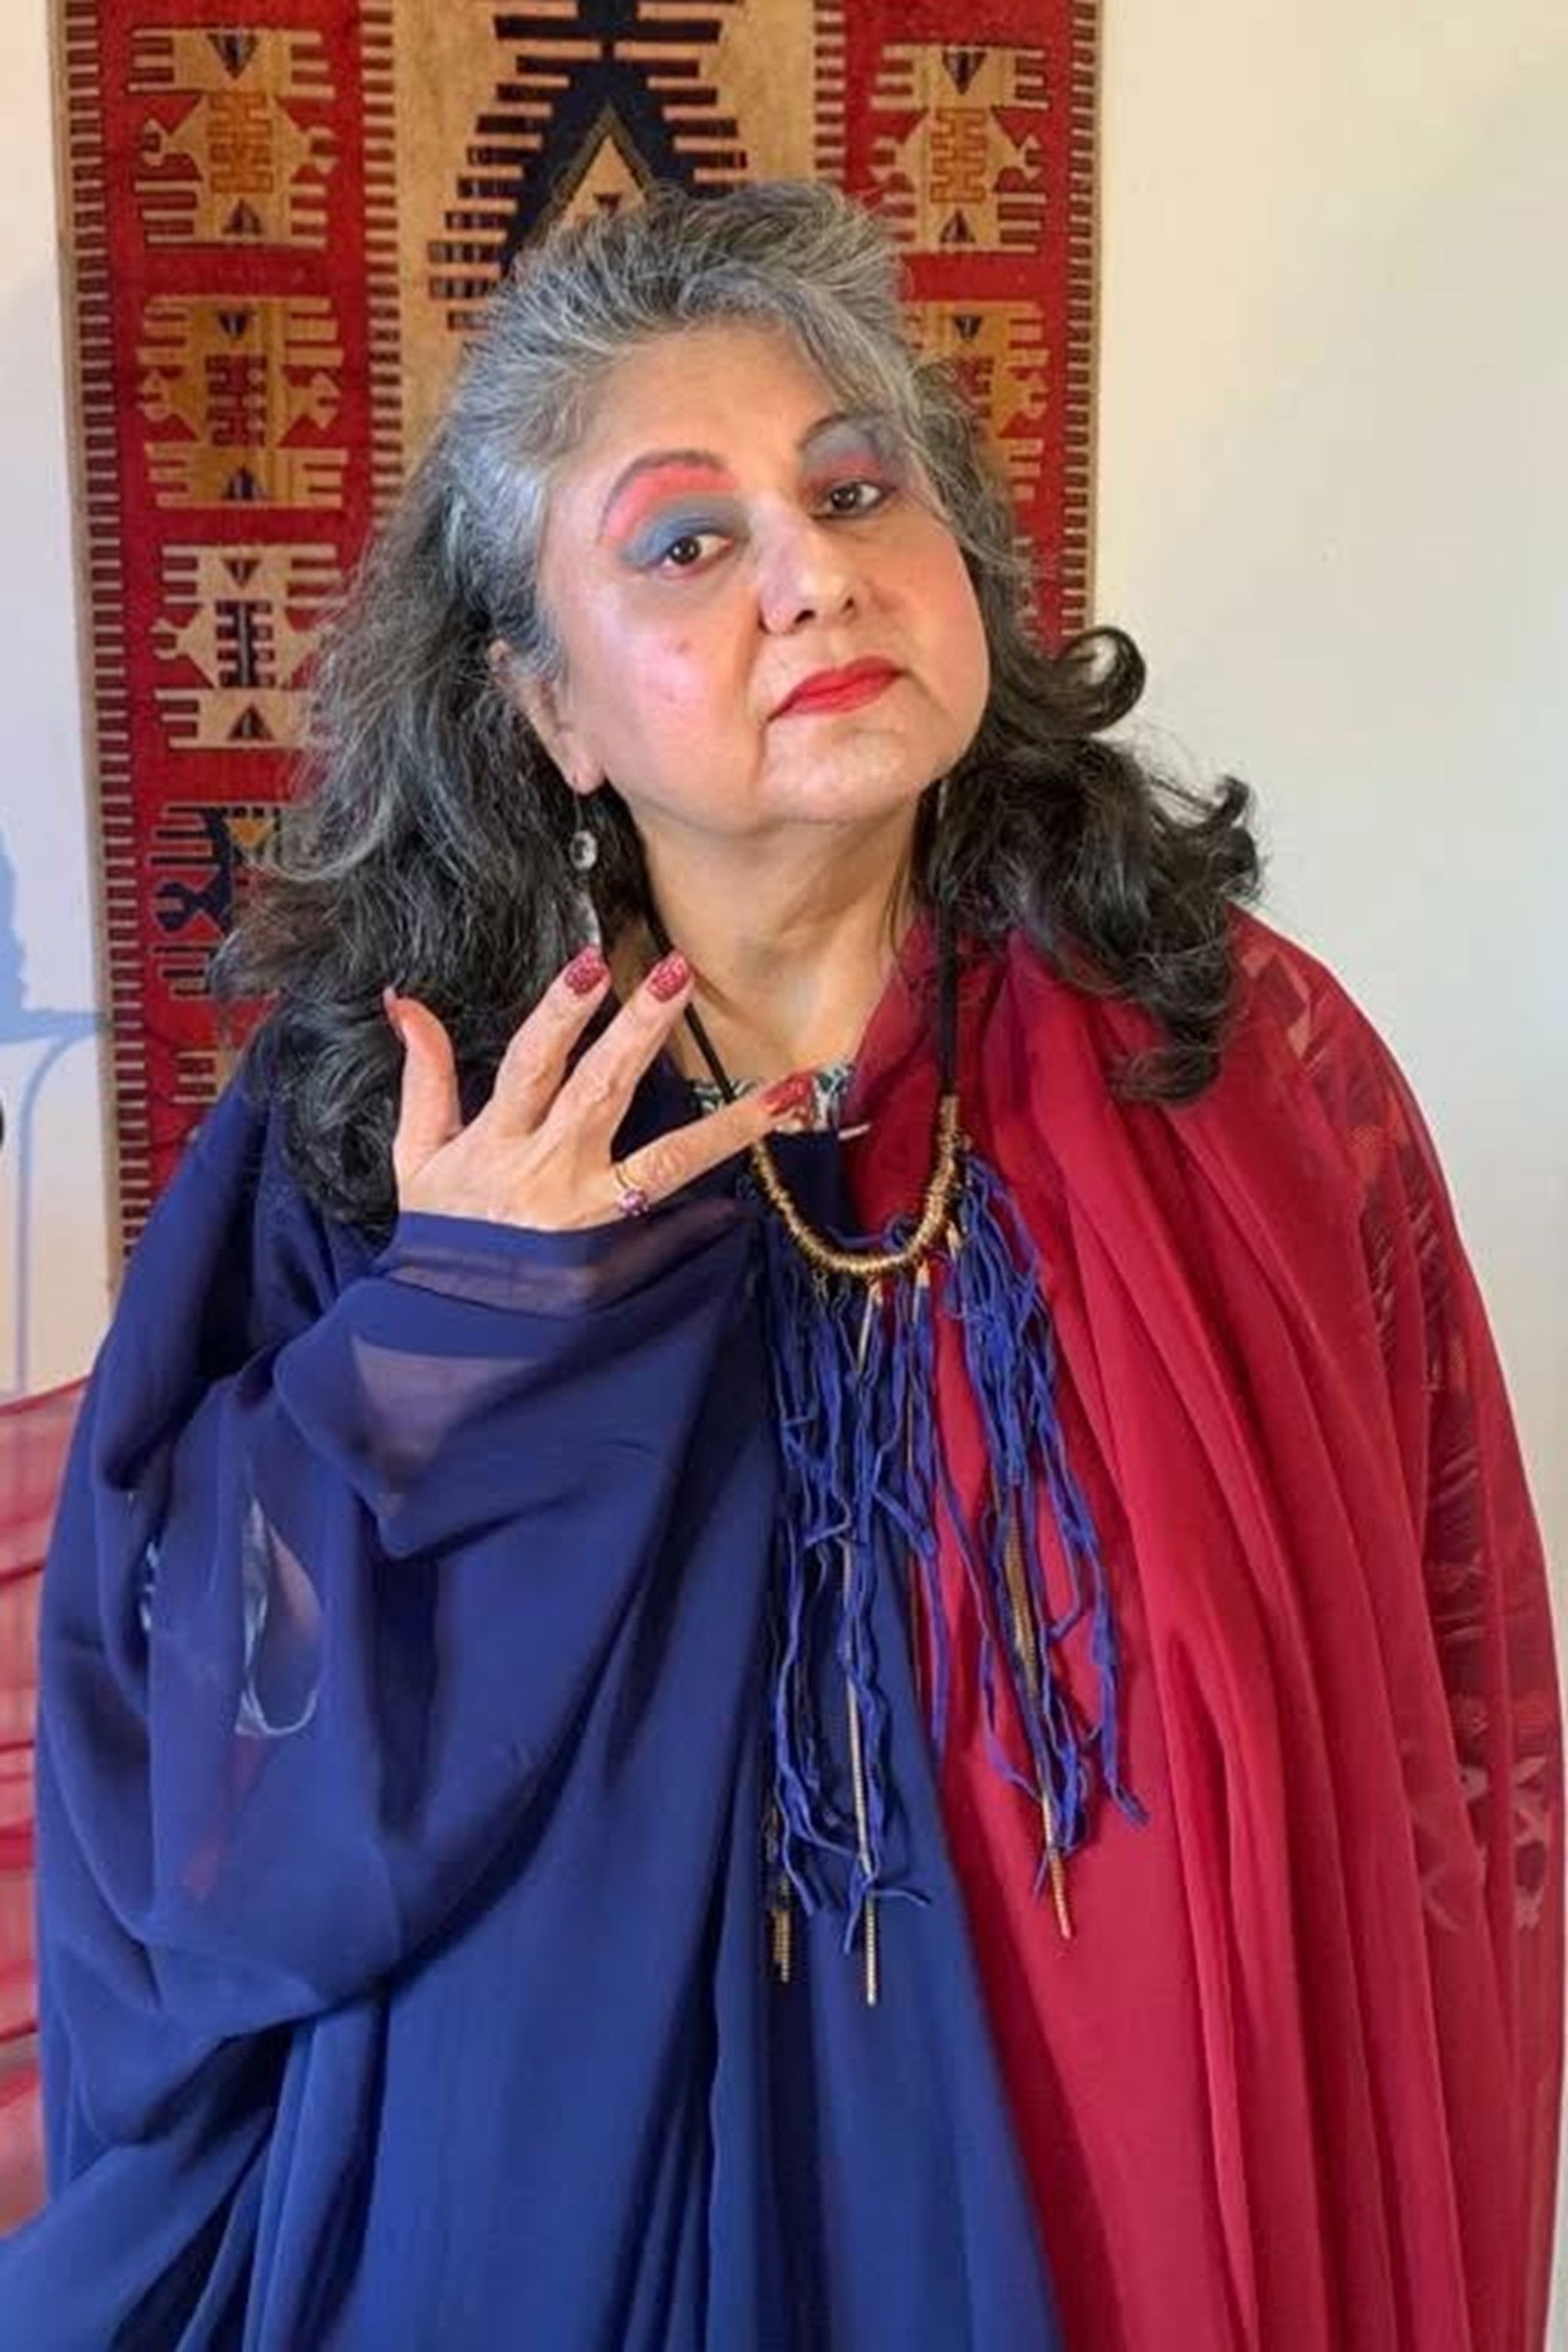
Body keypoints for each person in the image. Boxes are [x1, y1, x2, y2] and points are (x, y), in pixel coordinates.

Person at [0, 180, 1559, 2350]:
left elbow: (1454, 1705)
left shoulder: (1239, 1062)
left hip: (1146, 2188)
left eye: (854, 489)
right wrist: (449, 1344)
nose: (814, 572)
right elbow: (183, 1785)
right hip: (564, 2201)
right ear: (548, 705)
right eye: (683, 541)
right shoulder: (381, 1113)